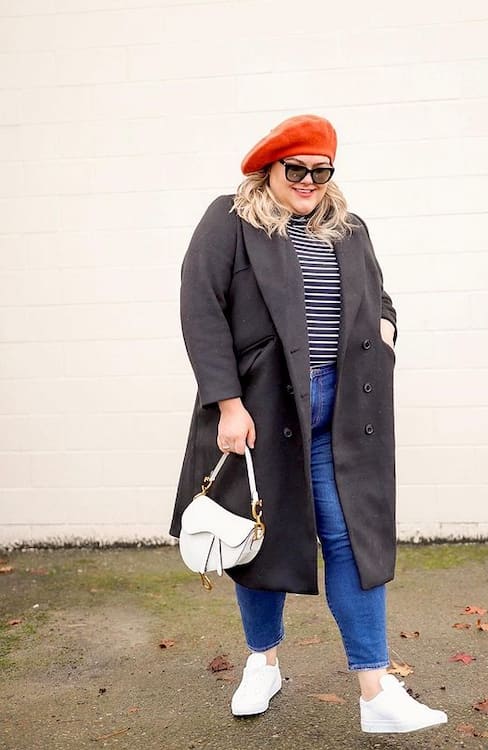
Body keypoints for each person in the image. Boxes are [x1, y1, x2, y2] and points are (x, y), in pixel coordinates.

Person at [170, 114, 448, 734]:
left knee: (351, 537)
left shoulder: (348, 230)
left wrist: (386, 332)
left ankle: (375, 689)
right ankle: (262, 661)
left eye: (321, 172)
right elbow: (201, 308)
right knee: (260, 536)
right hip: (265, 410)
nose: (309, 181)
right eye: (296, 169)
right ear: (269, 169)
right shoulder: (231, 221)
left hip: (346, 410)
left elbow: (379, 296)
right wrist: (227, 402)